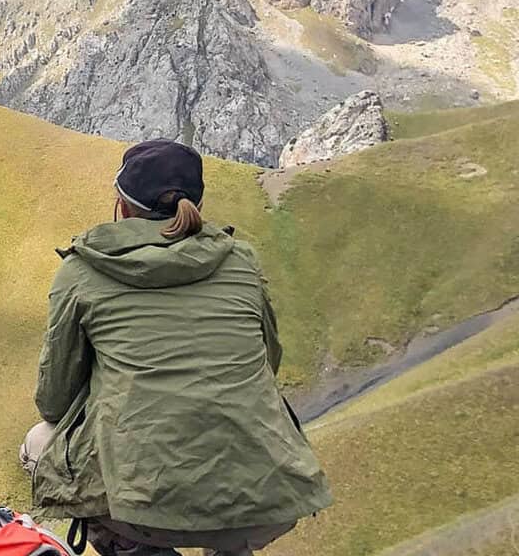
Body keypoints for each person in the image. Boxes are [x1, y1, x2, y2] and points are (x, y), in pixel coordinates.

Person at [22, 140, 332, 556]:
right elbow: (267, 364)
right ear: (197, 205)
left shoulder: (80, 270)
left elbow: (54, 403)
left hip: (143, 511)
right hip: (265, 502)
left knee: (39, 441)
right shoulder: (241, 260)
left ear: (122, 207)